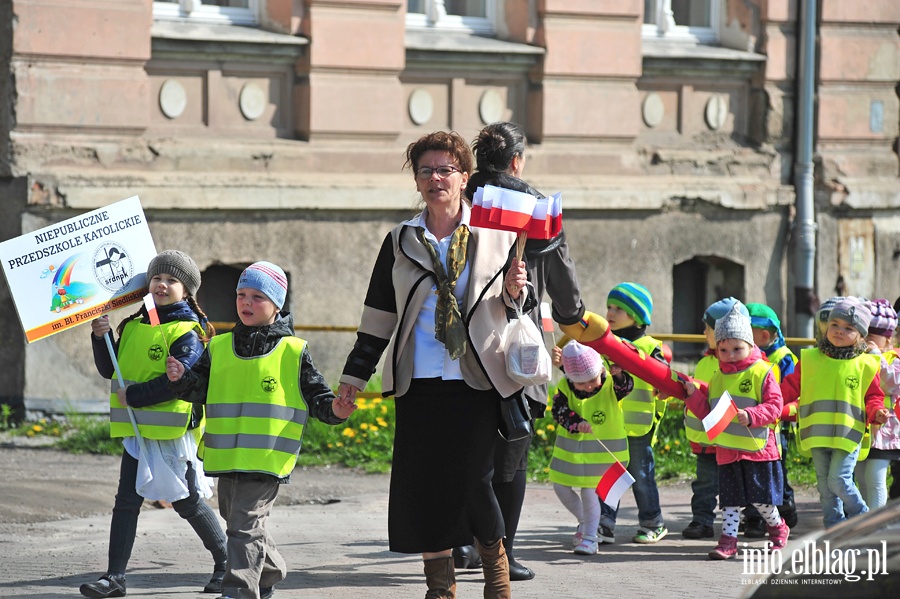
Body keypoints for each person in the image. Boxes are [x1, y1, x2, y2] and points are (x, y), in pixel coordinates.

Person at [337, 131, 530, 599]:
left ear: (465, 177)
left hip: (478, 378)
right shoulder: (402, 240)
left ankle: (496, 577)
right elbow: (377, 318)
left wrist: (514, 289)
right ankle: (440, 589)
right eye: (426, 171)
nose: (435, 178)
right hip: (419, 381)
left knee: (476, 482)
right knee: (426, 486)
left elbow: (517, 308)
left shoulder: (494, 236)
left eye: (445, 170)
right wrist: (352, 380)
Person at [166, 261, 356, 599]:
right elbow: (200, 390)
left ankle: (238, 590)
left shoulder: (293, 351)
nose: (246, 303)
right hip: (226, 456)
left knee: (242, 525)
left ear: (277, 304)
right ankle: (269, 572)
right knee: (238, 523)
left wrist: (337, 410)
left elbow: (317, 398)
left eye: (258, 296)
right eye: (241, 294)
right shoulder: (220, 347)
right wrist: (182, 378)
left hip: (267, 458)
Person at [455, 120, 585, 581]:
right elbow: (565, 289)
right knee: (509, 453)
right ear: (517, 160)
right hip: (517, 348)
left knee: (464, 449)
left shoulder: (458, 200)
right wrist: (575, 315)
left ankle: (461, 546)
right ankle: (502, 553)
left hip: (461, 344)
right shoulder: (537, 208)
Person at [80, 250, 227, 598]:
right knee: (126, 502)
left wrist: (135, 397)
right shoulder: (132, 324)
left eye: (172, 280)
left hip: (173, 434)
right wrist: (100, 337)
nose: (162, 284)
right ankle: (114, 578)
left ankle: (228, 563)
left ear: (187, 290)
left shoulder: (189, 330)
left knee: (187, 501)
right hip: (138, 431)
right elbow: (109, 369)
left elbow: (178, 381)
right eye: (157, 277)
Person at [682, 302, 788, 560]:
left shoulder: (762, 372)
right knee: (729, 502)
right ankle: (728, 542)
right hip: (727, 451)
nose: (730, 354)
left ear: (751, 346)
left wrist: (751, 416)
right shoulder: (718, 376)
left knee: (762, 501)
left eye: (737, 348)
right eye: (724, 349)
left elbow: (775, 406)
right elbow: (709, 411)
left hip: (758, 450)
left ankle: (778, 528)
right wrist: (693, 396)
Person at [782, 297, 889, 528]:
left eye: (848, 328)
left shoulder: (866, 364)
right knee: (824, 485)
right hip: (817, 433)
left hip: (848, 435)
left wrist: (877, 411)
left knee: (838, 481)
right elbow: (789, 388)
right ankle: (833, 527)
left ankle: (863, 517)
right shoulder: (810, 359)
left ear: (861, 335)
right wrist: (770, 405)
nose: (839, 331)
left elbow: (873, 396)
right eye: (834, 325)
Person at [597, 282, 669, 545]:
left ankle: (653, 523)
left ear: (637, 317)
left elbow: (664, 377)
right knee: (608, 474)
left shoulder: (651, 346)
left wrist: (666, 389)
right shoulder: (604, 344)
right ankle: (604, 524)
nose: (610, 313)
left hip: (639, 425)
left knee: (641, 476)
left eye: (619, 309)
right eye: (609, 307)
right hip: (610, 424)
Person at [549, 341, 633, 555]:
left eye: (591, 380)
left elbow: (625, 387)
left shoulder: (610, 384)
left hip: (602, 456)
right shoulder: (566, 386)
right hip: (572, 455)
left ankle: (590, 537)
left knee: (589, 493)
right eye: (581, 383)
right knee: (560, 487)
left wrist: (620, 375)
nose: (588, 386)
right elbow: (559, 410)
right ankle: (585, 523)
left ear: (601, 370)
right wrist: (575, 423)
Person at [681, 298, 747, 540]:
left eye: (707, 328)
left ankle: (750, 520)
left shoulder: (741, 365)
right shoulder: (705, 361)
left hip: (731, 439)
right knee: (705, 485)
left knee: (739, 483)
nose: (703, 333)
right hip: (707, 440)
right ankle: (702, 520)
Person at [743, 302, 800, 534]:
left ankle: (784, 506)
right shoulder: (741, 356)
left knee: (776, 471)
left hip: (777, 427)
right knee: (750, 471)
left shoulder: (784, 357)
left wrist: (775, 411)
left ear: (763, 335)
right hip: (748, 424)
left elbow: (791, 392)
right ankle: (754, 518)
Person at [855, 299, 900, 510]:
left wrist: (876, 357)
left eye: (871, 337)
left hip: (885, 431)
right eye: (863, 336)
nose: (865, 341)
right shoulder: (855, 358)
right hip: (861, 428)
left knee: (875, 476)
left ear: (888, 341)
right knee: (861, 476)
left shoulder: (894, 359)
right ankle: (866, 520)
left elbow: (891, 383)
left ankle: (876, 525)